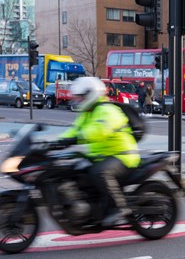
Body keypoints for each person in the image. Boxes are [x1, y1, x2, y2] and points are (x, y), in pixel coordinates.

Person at [59, 77, 141, 226]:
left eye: (81, 97)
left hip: (121, 155)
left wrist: (77, 138)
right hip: (101, 156)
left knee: (99, 172)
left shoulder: (107, 110)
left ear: (91, 94)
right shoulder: (87, 113)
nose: (77, 101)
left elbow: (100, 130)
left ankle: (118, 208)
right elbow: (74, 130)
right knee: (76, 171)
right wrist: (56, 142)